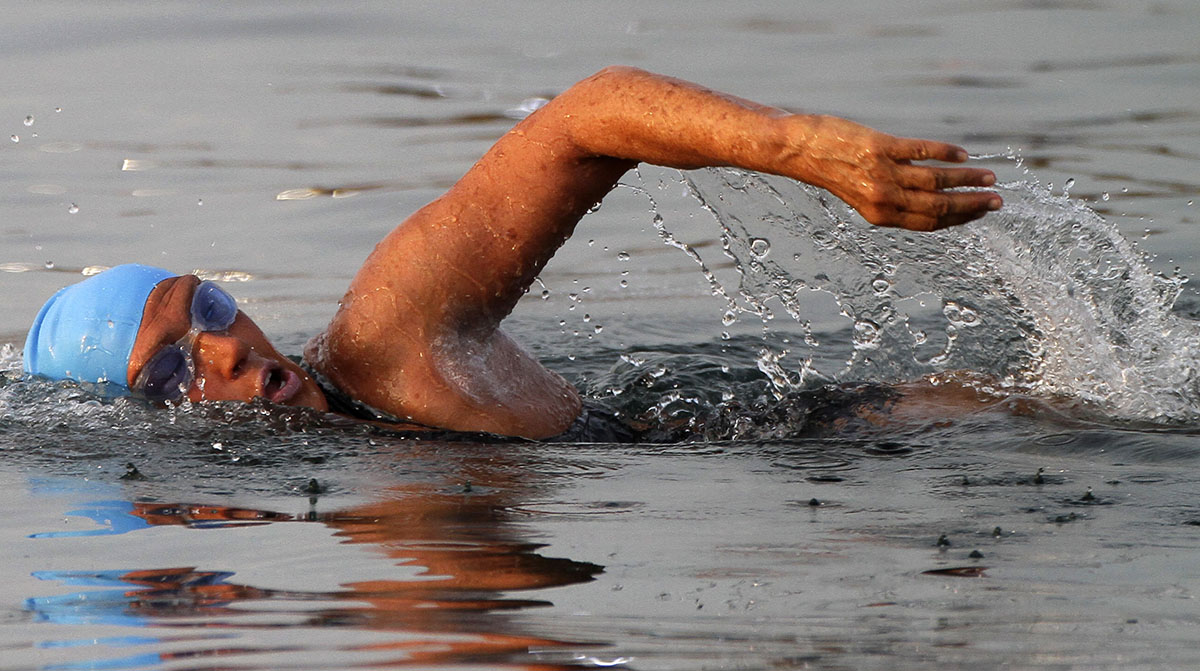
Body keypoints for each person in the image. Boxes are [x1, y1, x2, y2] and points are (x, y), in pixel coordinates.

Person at [22, 66, 1002, 440]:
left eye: (205, 310)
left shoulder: (386, 335)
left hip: (837, 439)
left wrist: (802, 148)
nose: (226, 349)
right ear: (131, 430)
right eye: (169, 375)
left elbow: (588, 116)